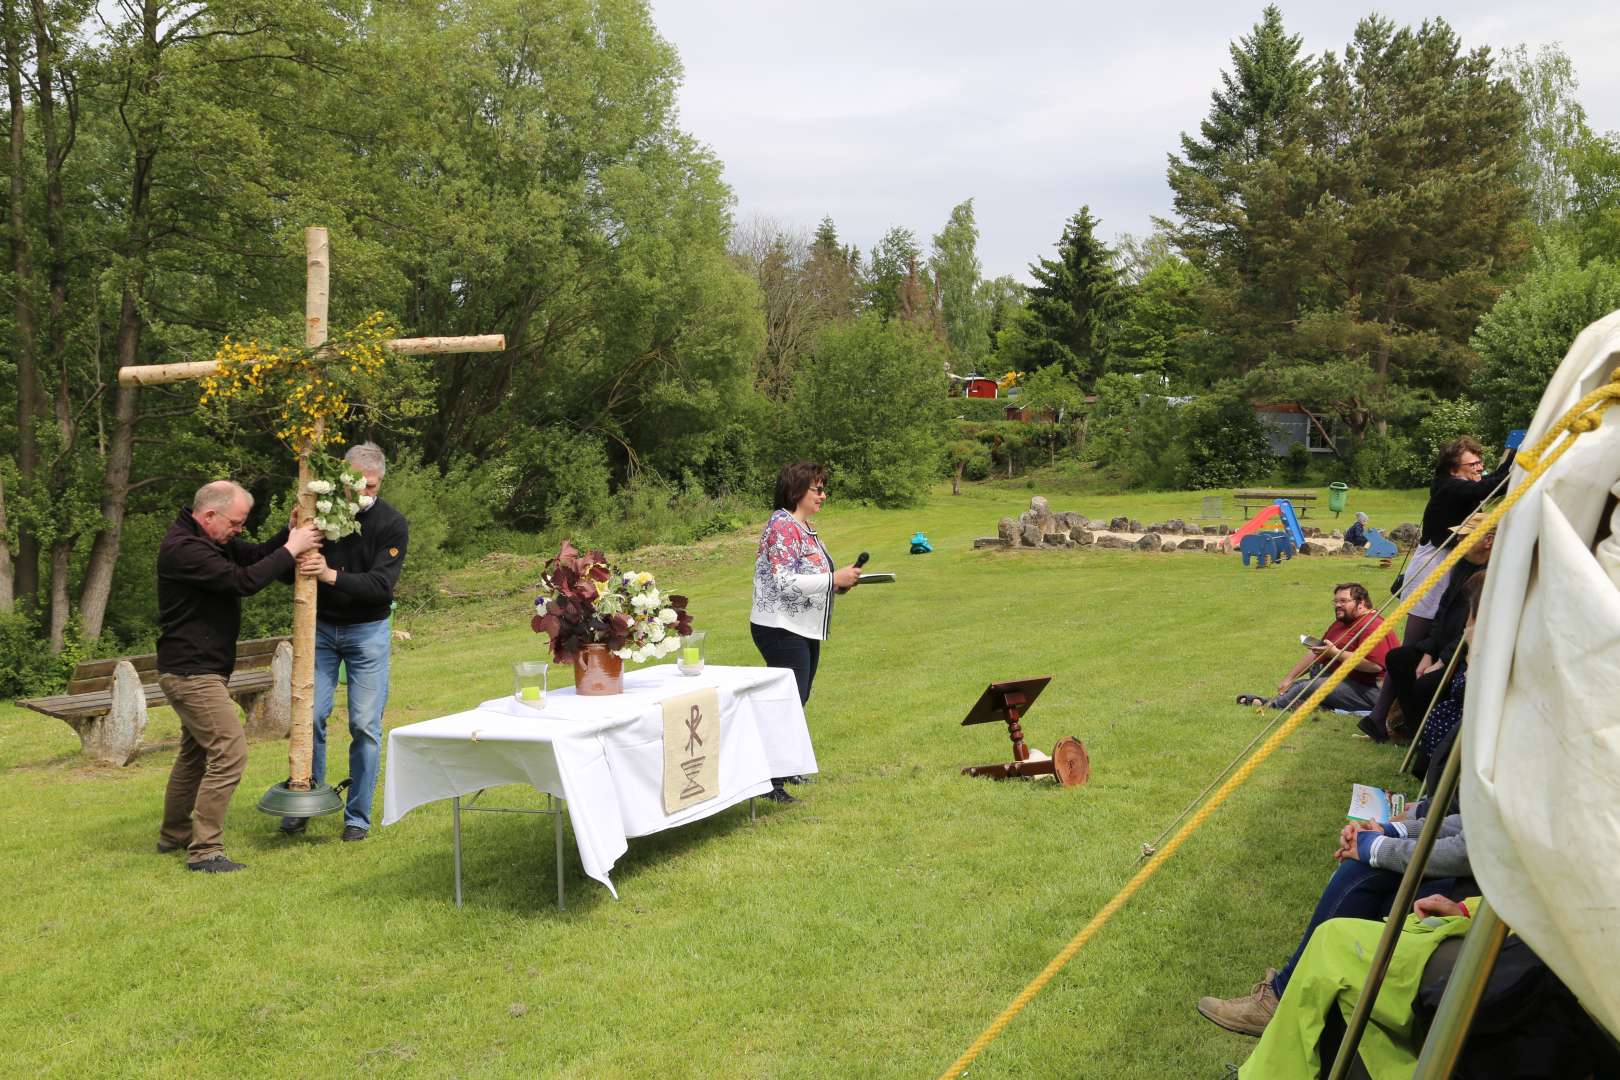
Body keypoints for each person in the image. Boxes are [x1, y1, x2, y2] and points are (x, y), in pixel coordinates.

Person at [156, 480, 321, 872]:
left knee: (195, 755)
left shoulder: (211, 539)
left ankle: (174, 836)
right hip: (192, 673)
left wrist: (288, 533)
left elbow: (253, 556)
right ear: (209, 515)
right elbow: (242, 581)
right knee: (230, 753)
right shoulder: (185, 549)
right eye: (235, 522)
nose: (239, 530)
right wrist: (292, 548)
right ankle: (205, 852)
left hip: (198, 668)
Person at [1197, 802, 1470, 1038]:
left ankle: (1284, 998)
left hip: (1483, 909)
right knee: (1367, 877)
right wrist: (1387, 832)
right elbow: (1466, 824)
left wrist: (1375, 848)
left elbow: (1465, 850)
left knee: (1366, 874)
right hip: (1474, 887)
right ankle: (1295, 1001)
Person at [280, 443, 408, 842]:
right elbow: (288, 573)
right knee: (310, 716)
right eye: (357, 486)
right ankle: (306, 799)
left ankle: (357, 818)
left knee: (364, 725)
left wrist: (329, 574)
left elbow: (380, 587)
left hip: (367, 631)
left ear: (380, 480)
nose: (364, 494)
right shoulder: (321, 513)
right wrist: (291, 539)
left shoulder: (391, 523)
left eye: (372, 486)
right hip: (319, 629)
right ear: (343, 481)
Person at [748, 460, 862, 803]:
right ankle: (769, 782)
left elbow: (812, 572)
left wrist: (839, 584)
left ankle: (786, 767)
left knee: (799, 698)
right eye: (819, 489)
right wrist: (831, 579)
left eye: (824, 488)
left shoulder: (802, 526)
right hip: (780, 627)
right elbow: (784, 582)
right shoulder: (782, 526)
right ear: (797, 490)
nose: (824, 495)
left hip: (802, 627)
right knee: (788, 700)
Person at [1359, 518, 1492, 743]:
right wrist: (1429, 652)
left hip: (1463, 656)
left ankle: (1428, 736)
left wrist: (1443, 660)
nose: (1458, 541)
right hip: (1441, 649)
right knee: (1399, 659)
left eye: (1465, 536)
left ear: (1488, 540)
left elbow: (1473, 629)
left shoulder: (1492, 575)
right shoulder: (1462, 564)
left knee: (1425, 684)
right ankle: (1414, 731)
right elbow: (1443, 609)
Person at [1400, 436, 1514, 646]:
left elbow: (1495, 481)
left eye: (1481, 463)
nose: (1479, 468)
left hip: (1455, 563)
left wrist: (1514, 458)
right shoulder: (1449, 487)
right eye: (1472, 464)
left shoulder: (1464, 486)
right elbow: (1490, 488)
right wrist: (1517, 458)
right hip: (1433, 568)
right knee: (1416, 637)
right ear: (1453, 470)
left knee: (1444, 629)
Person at [1235, 583, 1398, 713]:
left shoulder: (1373, 625)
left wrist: (1336, 653)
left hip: (1374, 690)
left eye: (1343, 601)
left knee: (1308, 686)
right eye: (1335, 601)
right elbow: (1316, 650)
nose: (1337, 605)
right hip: (1348, 680)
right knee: (1302, 681)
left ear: (1361, 603)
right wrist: (1289, 678)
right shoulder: (1342, 622)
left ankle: (1270, 706)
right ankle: (1311, 705)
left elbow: (1374, 666)